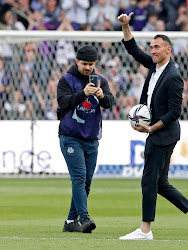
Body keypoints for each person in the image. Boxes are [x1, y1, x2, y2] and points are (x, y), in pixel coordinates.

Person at [117, 12, 188, 241]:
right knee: (160, 183)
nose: (153, 50)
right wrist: (126, 26)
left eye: (157, 47)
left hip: (163, 134)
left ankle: (145, 230)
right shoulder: (154, 66)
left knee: (149, 181)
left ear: (168, 49)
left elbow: (174, 112)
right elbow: (133, 49)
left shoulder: (174, 77)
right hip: (159, 134)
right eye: (152, 46)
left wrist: (152, 128)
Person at [57, 45, 114, 233]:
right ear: (76, 62)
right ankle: (84, 218)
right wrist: (84, 94)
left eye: (90, 64)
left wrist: (102, 95)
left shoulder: (101, 81)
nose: (87, 68)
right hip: (70, 136)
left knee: (86, 182)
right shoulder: (66, 80)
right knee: (79, 177)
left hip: (91, 138)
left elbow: (109, 102)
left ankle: (70, 221)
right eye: (84, 64)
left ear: (95, 63)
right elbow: (63, 103)